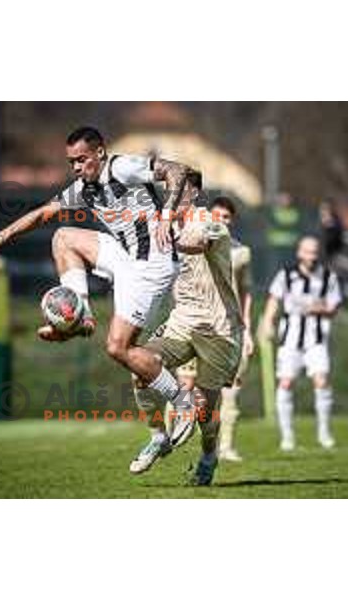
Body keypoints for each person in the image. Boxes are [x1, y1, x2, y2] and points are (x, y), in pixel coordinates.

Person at [0, 126, 194, 410]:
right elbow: (42, 214)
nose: (76, 167)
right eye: (72, 162)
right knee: (63, 237)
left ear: (99, 152)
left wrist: (167, 215)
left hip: (153, 264)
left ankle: (184, 404)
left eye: (81, 159)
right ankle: (81, 316)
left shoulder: (122, 167)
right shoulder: (83, 189)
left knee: (118, 348)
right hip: (127, 256)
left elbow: (178, 170)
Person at [130, 172, 243, 485]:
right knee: (138, 365)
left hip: (218, 329)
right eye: (168, 189)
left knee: (206, 409)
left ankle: (208, 455)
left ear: (194, 191)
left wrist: (166, 241)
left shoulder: (209, 220)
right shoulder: (160, 226)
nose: (172, 193)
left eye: (179, 188)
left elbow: (198, 242)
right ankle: (157, 436)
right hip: (181, 322)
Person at [173, 196, 253, 462]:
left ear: (232, 222)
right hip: (194, 323)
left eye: (226, 217)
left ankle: (224, 448)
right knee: (183, 384)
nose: (220, 221)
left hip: (226, 328)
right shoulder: (193, 244)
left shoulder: (241, 253)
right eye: (216, 215)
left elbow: (245, 293)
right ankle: (170, 439)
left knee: (227, 391)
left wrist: (248, 330)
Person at [260, 237, 343, 451]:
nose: (311, 256)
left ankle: (324, 433)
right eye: (307, 251)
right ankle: (287, 437)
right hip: (290, 339)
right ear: (299, 253)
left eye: (314, 251)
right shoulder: (286, 275)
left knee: (321, 381)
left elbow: (334, 307)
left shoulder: (328, 277)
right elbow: (273, 300)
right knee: (286, 383)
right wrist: (268, 322)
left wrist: (320, 309)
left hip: (316, 339)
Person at [318, 199, 344, 264]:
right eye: (321, 209)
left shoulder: (336, 228)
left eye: (325, 210)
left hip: (329, 260)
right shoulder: (320, 225)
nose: (322, 212)